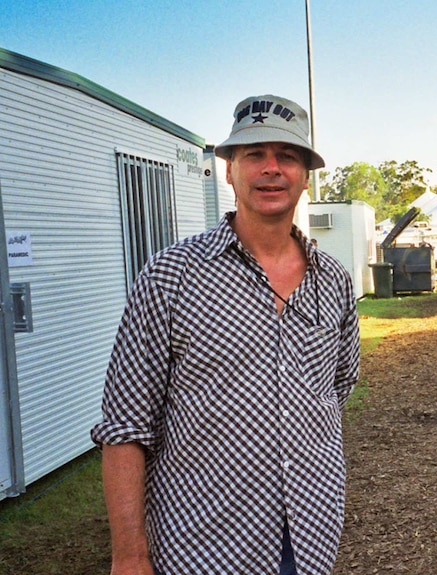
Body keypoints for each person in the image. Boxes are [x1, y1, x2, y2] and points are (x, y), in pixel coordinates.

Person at [91, 95, 360, 575]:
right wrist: (129, 557)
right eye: (254, 154)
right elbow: (125, 427)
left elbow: (335, 391)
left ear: (305, 174)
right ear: (229, 170)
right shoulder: (172, 275)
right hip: (199, 546)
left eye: (288, 156)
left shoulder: (334, 280)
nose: (271, 169)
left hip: (309, 539)